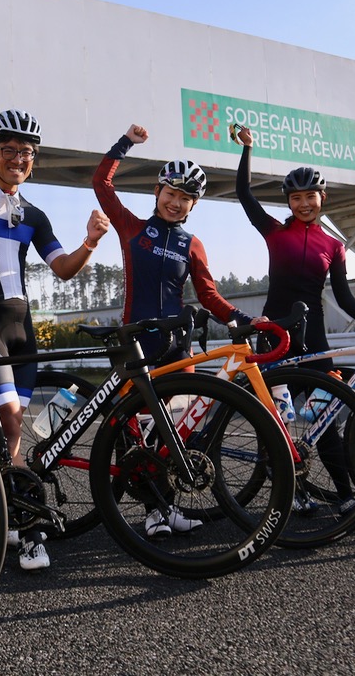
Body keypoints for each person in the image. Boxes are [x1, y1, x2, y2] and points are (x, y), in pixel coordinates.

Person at [0, 108, 110, 571]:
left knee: (12, 430)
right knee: (9, 418)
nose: (18, 158)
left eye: (26, 152)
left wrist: (89, 242)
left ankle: (4, 515)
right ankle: (22, 525)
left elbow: (63, 269)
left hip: (21, 324)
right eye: (9, 150)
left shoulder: (35, 213)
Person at [93, 123, 252, 538]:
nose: (177, 203)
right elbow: (101, 182)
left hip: (177, 347)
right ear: (158, 192)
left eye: (186, 198)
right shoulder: (132, 227)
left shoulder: (192, 244)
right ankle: (152, 512)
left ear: (194, 204)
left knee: (174, 434)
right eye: (171, 194)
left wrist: (243, 319)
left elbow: (210, 295)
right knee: (139, 434)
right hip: (138, 345)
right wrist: (125, 142)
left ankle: (166, 506)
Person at [232, 123, 355, 515]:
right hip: (275, 336)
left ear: (323, 197)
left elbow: (344, 296)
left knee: (324, 418)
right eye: (296, 197)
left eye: (310, 196)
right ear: (288, 201)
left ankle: (346, 492)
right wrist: (247, 150)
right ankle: (291, 491)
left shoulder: (334, 245)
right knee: (278, 421)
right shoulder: (274, 231)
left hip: (314, 339)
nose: (304, 203)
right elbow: (244, 194)